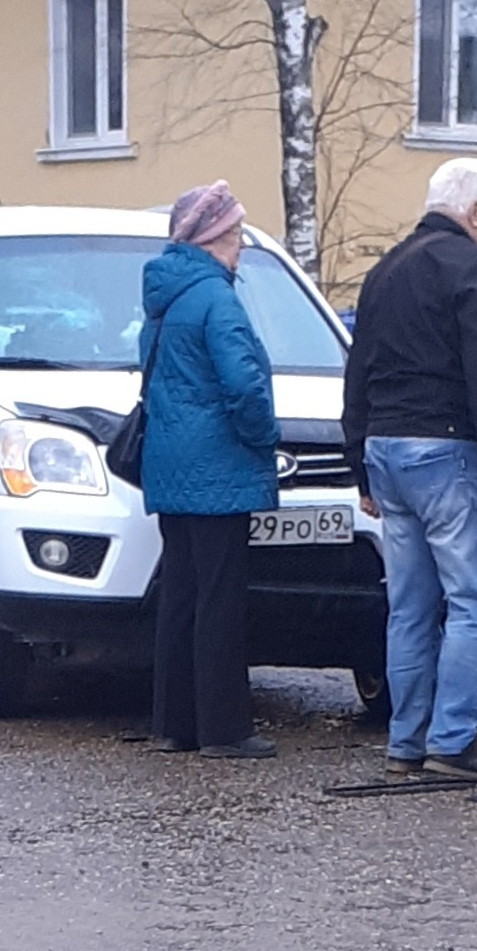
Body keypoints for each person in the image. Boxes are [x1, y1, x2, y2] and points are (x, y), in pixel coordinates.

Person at [343, 158, 477, 783]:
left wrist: (360, 467)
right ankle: (453, 741)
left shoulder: (384, 271)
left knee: (411, 607)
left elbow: (357, 370)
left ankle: (405, 743)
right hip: (449, 452)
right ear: (473, 211)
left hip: (387, 452)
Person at [140, 181, 282, 760]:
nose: (241, 245)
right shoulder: (217, 298)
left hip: (170, 465)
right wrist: (263, 438)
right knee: (221, 599)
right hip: (217, 469)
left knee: (180, 595)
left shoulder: (165, 296)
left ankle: (175, 724)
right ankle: (224, 729)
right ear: (212, 237)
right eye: (236, 234)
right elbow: (244, 383)